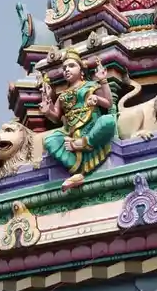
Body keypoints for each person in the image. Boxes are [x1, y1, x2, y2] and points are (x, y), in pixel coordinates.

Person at [41, 49, 117, 191]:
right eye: (64, 68)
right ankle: (76, 172)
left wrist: (101, 85)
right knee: (50, 140)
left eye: (71, 66)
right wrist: (47, 111)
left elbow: (108, 103)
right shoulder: (63, 96)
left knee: (107, 121)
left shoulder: (91, 86)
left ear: (81, 70)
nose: (67, 70)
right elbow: (56, 116)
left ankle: (82, 144)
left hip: (91, 130)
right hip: (71, 133)